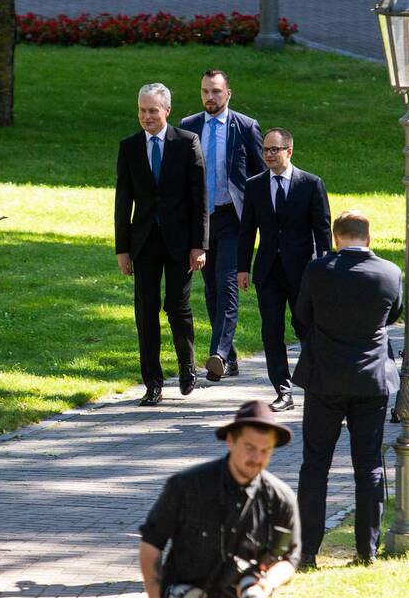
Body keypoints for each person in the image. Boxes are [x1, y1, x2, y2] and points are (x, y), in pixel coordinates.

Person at [138, 401, 300, 598]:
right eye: (249, 448)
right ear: (230, 442)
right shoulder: (187, 487)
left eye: (265, 451)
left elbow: (290, 559)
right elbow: (151, 543)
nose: (256, 458)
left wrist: (267, 583)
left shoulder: (280, 499)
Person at [293, 211, 402, 567]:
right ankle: (366, 550)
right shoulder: (390, 273)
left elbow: (301, 318)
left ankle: (308, 550)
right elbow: (393, 316)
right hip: (371, 380)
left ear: (337, 237)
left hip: (324, 377)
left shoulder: (318, 270)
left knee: (315, 465)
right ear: (367, 239)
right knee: (369, 465)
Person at [115, 83, 208, 406]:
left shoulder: (186, 143)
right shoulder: (129, 147)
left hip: (180, 243)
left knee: (177, 307)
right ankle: (152, 382)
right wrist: (122, 249)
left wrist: (200, 245)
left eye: (152, 110)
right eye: (142, 110)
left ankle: (186, 365)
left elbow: (200, 198)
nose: (146, 117)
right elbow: (122, 201)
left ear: (167, 111)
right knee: (146, 310)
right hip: (144, 243)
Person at [237, 128, 331, 412]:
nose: (268, 155)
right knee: (271, 332)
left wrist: (325, 269)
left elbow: (322, 230)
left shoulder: (311, 184)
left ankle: (317, 385)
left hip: (303, 272)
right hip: (268, 272)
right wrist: (243, 268)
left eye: (274, 150)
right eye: (265, 150)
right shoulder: (254, 185)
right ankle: (283, 390)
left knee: (306, 329)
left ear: (289, 151)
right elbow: (246, 231)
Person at [180, 70, 265, 382]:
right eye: (205, 91)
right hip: (202, 220)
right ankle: (229, 357)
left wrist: (262, 218)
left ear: (228, 93)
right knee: (212, 289)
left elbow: (259, 176)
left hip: (233, 217)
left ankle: (218, 353)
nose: (209, 97)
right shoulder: (189, 127)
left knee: (227, 282)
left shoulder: (245, 127)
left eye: (215, 91)